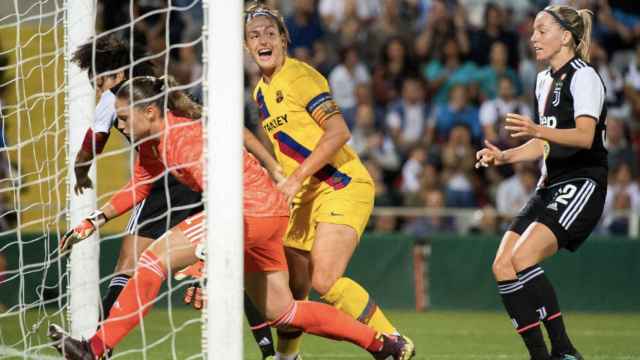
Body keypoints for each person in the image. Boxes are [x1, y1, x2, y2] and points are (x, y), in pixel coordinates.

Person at [48, 76, 412, 360]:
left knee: (151, 262)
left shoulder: (183, 141)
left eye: (125, 118)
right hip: (267, 212)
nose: (121, 126)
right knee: (283, 313)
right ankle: (382, 346)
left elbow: (223, 197)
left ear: (150, 112)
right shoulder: (155, 142)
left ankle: (95, 348)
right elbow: (141, 184)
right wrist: (94, 219)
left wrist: (206, 266)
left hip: (247, 209)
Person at [71, 35, 276, 359]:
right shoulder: (158, 87)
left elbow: (92, 142)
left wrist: (80, 171)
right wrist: (272, 165)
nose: (98, 90)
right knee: (232, 263)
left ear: (114, 74)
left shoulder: (118, 99)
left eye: (98, 81)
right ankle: (268, 348)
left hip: (169, 178)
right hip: (192, 177)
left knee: (128, 264)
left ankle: (98, 345)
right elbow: (228, 127)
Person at [243, 3, 414, 360]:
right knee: (291, 284)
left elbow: (339, 132)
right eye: (254, 35)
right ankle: (287, 356)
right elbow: (286, 149)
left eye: (270, 33)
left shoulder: (300, 77)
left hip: (340, 183)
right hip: (305, 193)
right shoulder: (260, 92)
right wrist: (276, 175)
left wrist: (293, 181)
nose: (263, 39)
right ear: (246, 46)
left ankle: (395, 343)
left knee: (325, 280)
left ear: (284, 39)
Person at [476, 5, 606, 360]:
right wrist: (505, 155)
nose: (533, 38)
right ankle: (540, 355)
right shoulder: (543, 78)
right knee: (502, 265)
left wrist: (536, 129)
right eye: (533, 31)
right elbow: (546, 141)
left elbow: (583, 136)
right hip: (551, 182)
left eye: (541, 30)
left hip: (582, 181)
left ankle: (564, 350)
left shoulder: (584, 77)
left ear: (566, 36)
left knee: (523, 257)